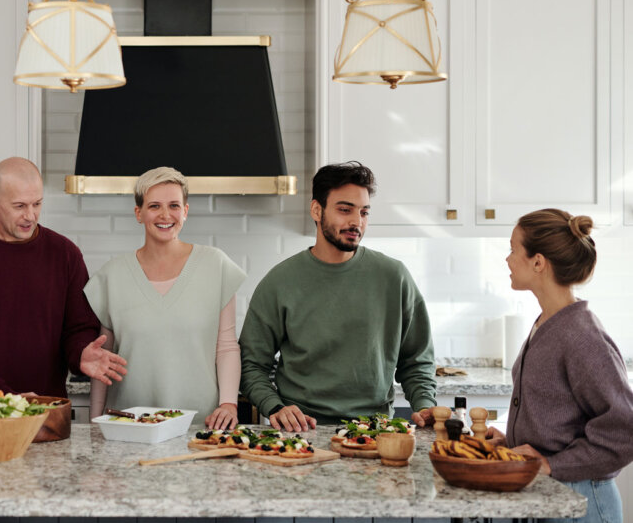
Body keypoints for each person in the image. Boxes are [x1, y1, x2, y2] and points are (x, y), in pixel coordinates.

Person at [239, 162, 436, 432]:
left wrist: (425, 405)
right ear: (316, 210)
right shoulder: (280, 282)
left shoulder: (394, 277)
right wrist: (275, 407)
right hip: (302, 432)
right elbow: (251, 365)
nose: (357, 222)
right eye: (345, 210)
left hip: (375, 431)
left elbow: (416, 360)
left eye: (364, 212)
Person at [0, 157, 127, 402]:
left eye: (37, 204)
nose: (30, 215)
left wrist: (80, 354)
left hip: (45, 410)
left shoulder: (65, 254)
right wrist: (7, 398)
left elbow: (78, 328)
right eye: (19, 206)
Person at [486, 209, 633, 523]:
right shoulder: (549, 322)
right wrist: (509, 441)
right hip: (553, 498)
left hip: (582, 503)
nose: (508, 259)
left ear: (538, 262)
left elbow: (625, 431)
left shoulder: (582, 336)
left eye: (513, 250)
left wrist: (550, 465)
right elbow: (557, 416)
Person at [85, 167, 247, 429]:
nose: (165, 215)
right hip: (128, 425)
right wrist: (94, 423)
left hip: (200, 424)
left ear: (185, 211)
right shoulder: (111, 276)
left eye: (174, 205)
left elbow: (227, 346)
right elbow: (104, 361)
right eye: (154, 206)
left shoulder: (216, 265)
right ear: (138, 213)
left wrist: (228, 403)